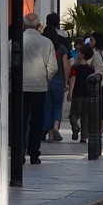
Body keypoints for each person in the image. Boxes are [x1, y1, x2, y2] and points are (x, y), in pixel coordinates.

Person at [21, 17, 55, 165]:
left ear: (24, 25)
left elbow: (8, 64)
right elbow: (53, 67)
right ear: (39, 26)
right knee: (37, 120)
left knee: (20, 120)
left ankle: (20, 151)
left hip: (20, 86)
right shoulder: (47, 43)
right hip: (39, 87)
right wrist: (45, 78)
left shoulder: (14, 41)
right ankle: (34, 153)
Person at [70, 36, 103, 160]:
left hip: (77, 93)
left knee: (73, 114)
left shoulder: (75, 68)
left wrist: (70, 92)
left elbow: (73, 80)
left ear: (81, 55)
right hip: (88, 94)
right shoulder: (91, 69)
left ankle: (75, 126)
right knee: (85, 116)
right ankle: (84, 136)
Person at [43, 13, 69, 143]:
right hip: (59, 80)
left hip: (45, 80)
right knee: (58, 106)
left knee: (47, 107)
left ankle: (50, 134)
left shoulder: (43, 44)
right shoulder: (62, 46)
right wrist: (66, 81)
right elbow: (66, 66)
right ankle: (55, 127)